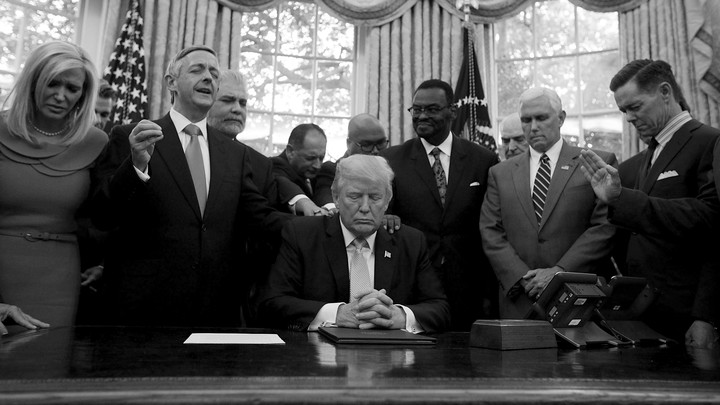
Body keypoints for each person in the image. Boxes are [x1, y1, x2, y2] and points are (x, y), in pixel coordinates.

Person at [93, 45, 290, 327]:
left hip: (214, 311)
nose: (208, 77)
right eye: (198, 69)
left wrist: (326, 226)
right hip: (141, 312)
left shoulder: (235, 154)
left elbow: (259, 218)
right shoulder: (132, 137)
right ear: (171, 82)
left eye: (214, 72)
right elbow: (102, 215)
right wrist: (136, 165)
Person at [579, 59, 720, 348]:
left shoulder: (710, 142)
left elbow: (712, 221)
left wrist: (707, 316)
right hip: (644, 319)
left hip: (691, 317)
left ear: (665, 92)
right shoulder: (633, 166)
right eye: (623, 111)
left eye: (635, 107)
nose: (629, 118)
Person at [256, 154, 450, 333]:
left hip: (390, 360)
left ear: (387, 200)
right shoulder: (303, 235)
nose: (365, 208)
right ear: (336, 198)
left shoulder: (410, 242)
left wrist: (400, 316)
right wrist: (336, 314)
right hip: (318, 360)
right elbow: (272, 303)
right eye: (355, 197)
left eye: (375, 197)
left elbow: (439, 309)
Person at [479, 87, 617, 318]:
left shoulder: (596, 162)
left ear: (561, 118)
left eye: (541, 118)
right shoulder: (499, 173)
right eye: (526, 120)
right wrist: (524, 278)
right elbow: (490, 231)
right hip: (520, 300)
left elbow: (605, 226)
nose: (533, 127)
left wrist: (559, 272)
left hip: (579, 298)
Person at [0, 41, 108, 328]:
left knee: (51, 364)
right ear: (33, 81)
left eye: (72, 89)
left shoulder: (97, 142)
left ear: (83, 95)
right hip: (2, 273)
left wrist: (102, 263)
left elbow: (106, 214)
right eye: (52, 84)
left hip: (62, 276)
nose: (61, 96)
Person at [380, 79, 498, 331]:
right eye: (416, 109)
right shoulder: (390, 160)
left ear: (452, 112)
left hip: (469, 285)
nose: (422, 115)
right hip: (413, 284)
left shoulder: (483, 159)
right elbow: (383, 214)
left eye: (432, 109)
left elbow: (493, 223)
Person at [206, 70, 324, 216]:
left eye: (243, 103)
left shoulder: (260, 164)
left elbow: (266, 219)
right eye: (227, 100)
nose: (237, 109)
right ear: (207, 103)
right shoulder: (186, 147)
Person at [313, 113, 389, 209]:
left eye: (381, 143)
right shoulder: (333, 170)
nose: (375, 150)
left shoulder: (389, 171)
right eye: (367, 145)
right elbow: (325, 197)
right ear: (349, 144)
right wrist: (333, 209)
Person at [271, 123, 327, 213]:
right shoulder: (273, 167)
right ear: (290, 151)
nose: (318, 165)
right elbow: (282, 181)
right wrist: (304, 203)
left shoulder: (318, 175)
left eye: (321, 158)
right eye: (310, 158)